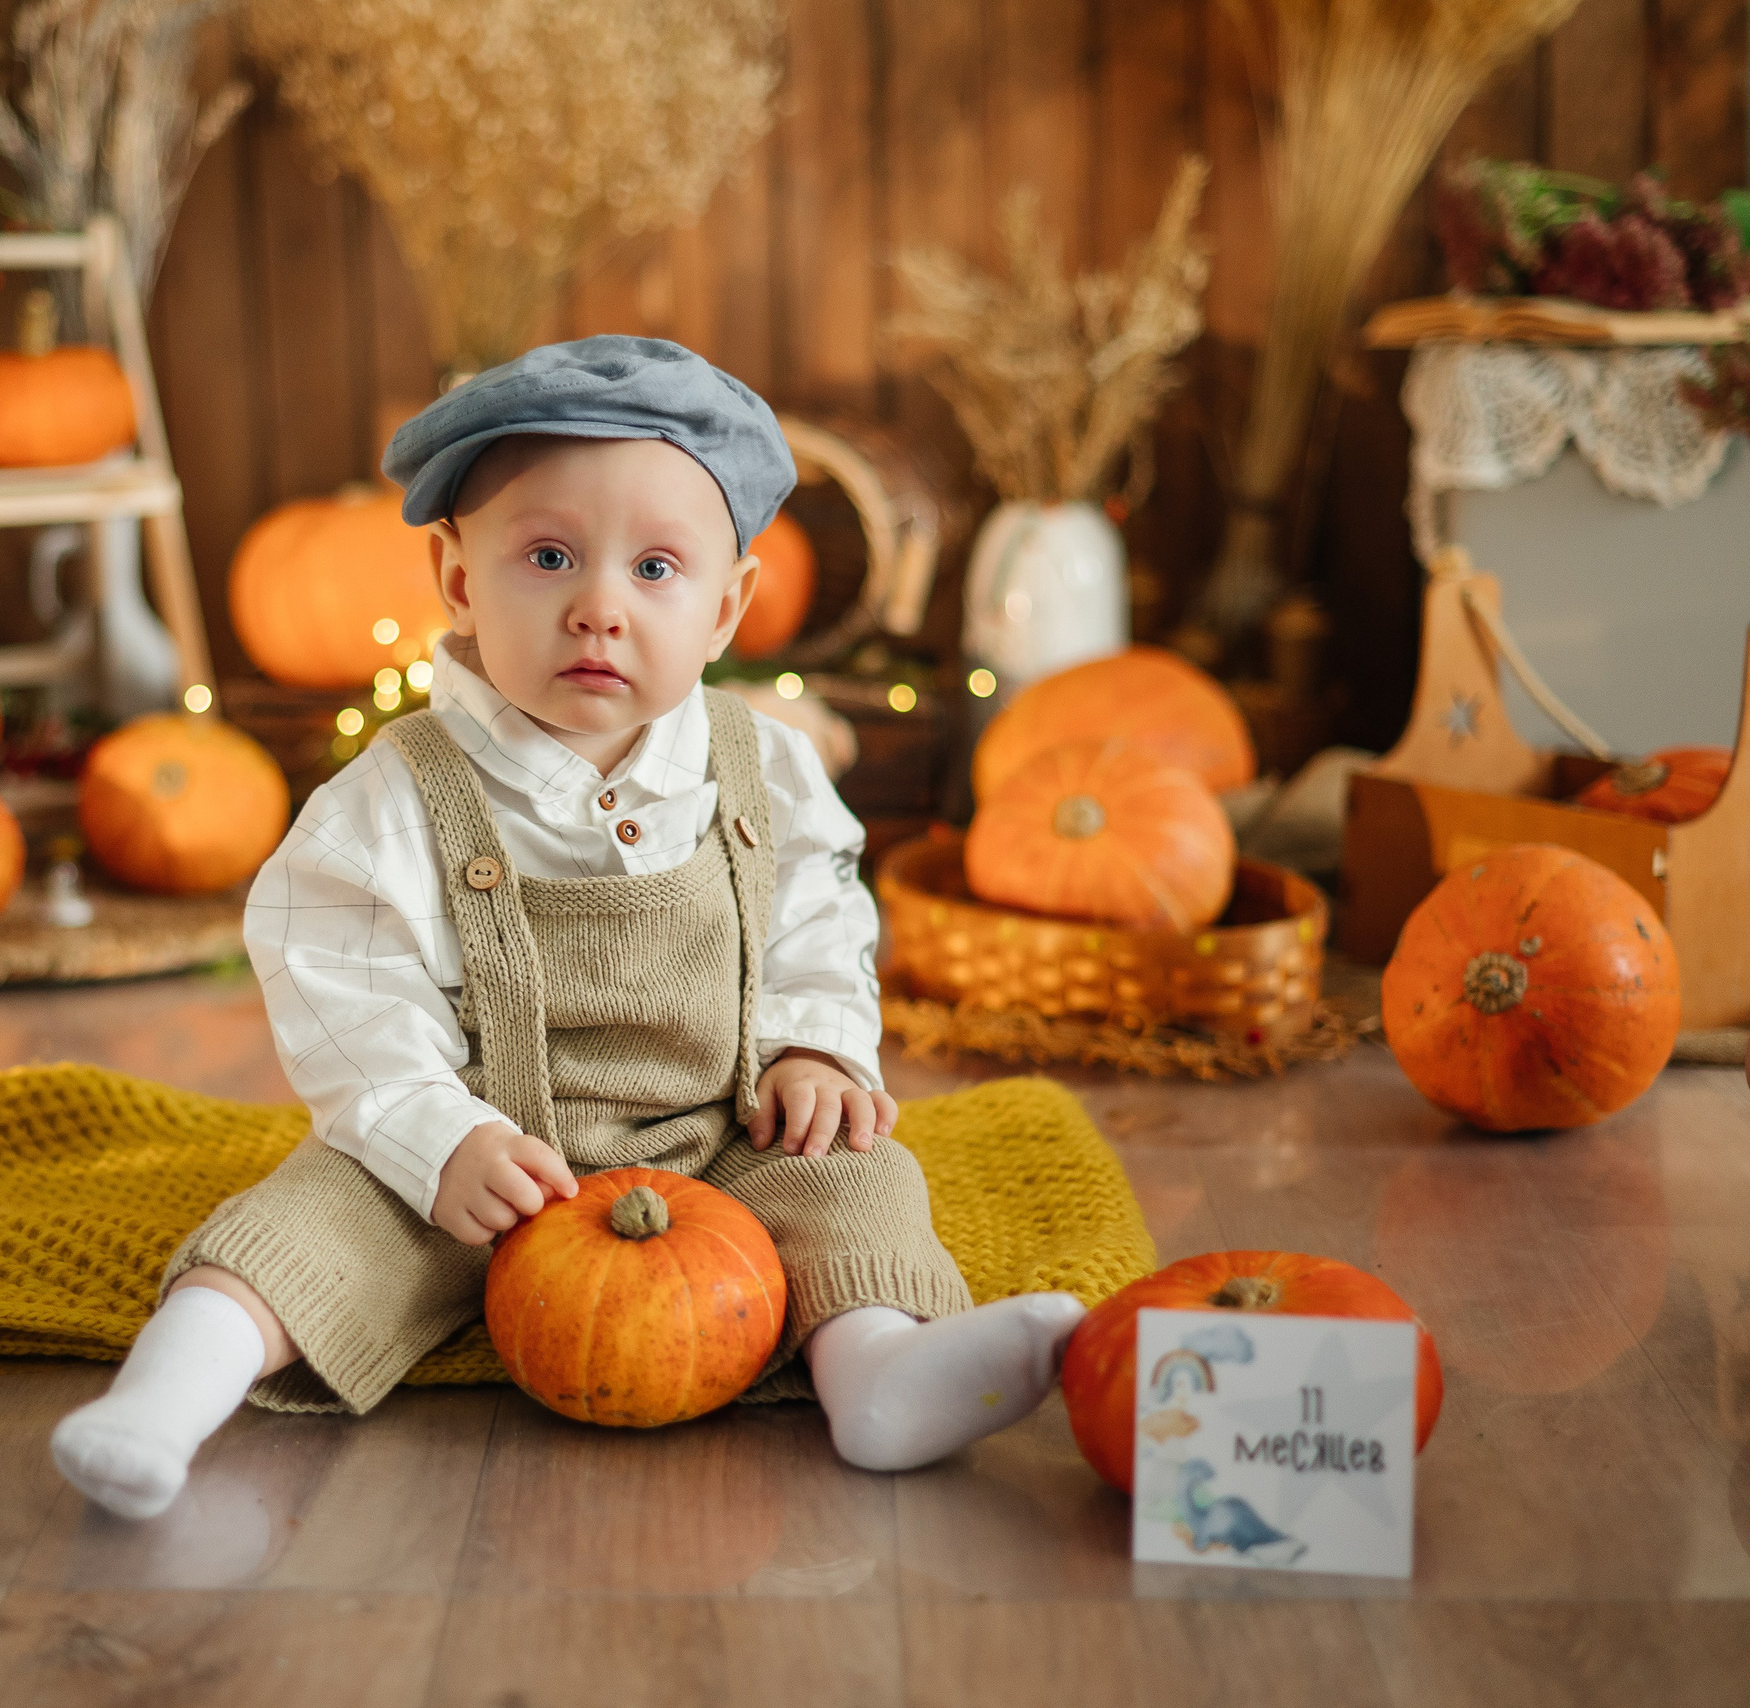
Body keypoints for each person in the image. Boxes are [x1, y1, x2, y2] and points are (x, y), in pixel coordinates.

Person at [52, 336, 1084, 1519]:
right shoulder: (396, 795)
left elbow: (819, 919)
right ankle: (169, 1394)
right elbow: (344, 985)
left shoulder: (767, 768)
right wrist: (436, 1139)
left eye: (656, 569)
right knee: (306, 1221)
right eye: (549, 557)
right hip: (479, 1166)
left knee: (858, 1182)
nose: (600, 606)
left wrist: (815, 1048)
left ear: (727, 607)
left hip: (721, 1135)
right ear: (457, 583)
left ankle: (883, 1374)